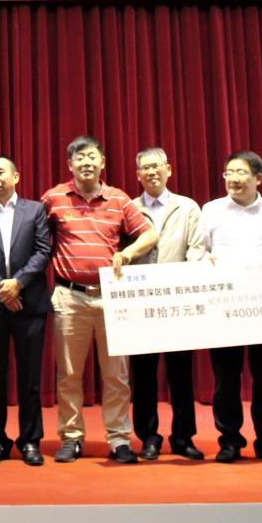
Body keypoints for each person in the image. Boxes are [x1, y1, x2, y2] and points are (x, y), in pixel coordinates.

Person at [40, 136, 157, 464]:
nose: (86, 163)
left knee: (116, 375)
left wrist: (128, 253)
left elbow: (150, 233)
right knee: (69, 374)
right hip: (69, 297)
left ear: (103, 162)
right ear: (70, 165)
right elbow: (34, 237)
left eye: (92, 157)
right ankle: (71, 437)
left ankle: (119, 439)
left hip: (111, 298)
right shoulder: (54, 198)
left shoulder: (119, 199)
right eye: (80, 158)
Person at [200, 150, 262, 464]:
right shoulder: (212, 210)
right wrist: (206, 260)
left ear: (258, 178)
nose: (233, 178)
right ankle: (229, 441)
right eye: (229, 172)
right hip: (224, 305)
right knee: (226, 379)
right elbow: (198, 252)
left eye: (240, 172)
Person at [0, 154, 51, 466]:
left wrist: (18, 283)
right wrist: (2, 289)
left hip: (30, 305)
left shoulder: (35, 210)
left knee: (30, 380)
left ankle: (30, 441)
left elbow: (43, 251)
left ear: (16, 176)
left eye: (0, 172)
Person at [130, 147, 206, 461]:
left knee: (181, 374)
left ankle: (183, 437)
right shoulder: (129, 208)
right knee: (143, 375)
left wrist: (182, 285)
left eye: (157, 166)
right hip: (141, 305)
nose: (151, 172)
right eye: (145, 168)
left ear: (169, 169)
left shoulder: (187, 207)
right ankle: (148, 437)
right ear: (138, 175)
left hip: (179, 303)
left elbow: (197, 250)